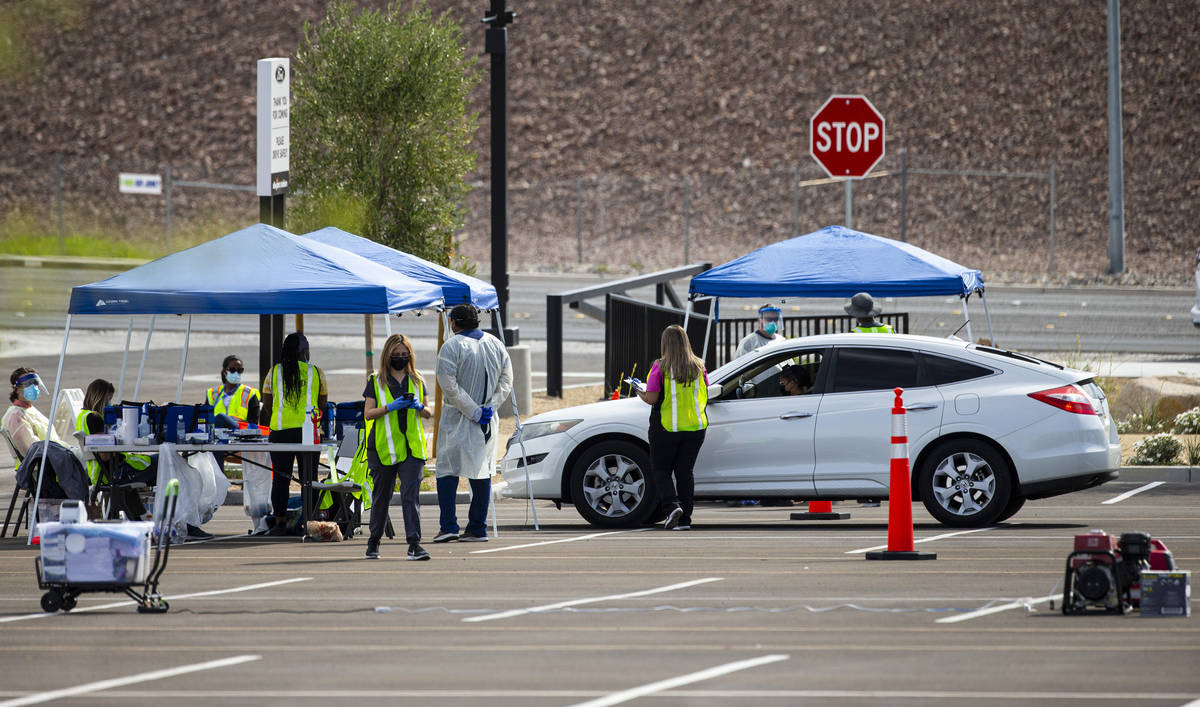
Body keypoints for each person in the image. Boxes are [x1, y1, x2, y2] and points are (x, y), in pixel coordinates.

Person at [433, 304, 513, 543]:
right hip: (487, 420)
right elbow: (506, 380)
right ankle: (477, 526)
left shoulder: (451, 346)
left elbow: (449, 386)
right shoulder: (496, 344)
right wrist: (490, 407)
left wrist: (473, 411)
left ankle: (449, 525)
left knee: (447, 469)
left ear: (454, 322)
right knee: (482, 470)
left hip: (457, 419)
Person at [362, 334, 434, 561]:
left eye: (405, 354)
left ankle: (414, 544)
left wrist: (419, 406)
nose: (401, 358)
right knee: (381, 497)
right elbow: (368, 414)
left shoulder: (418, 379)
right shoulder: (376, 380)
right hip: (383, 448)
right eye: (397, 355)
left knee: (410, 496)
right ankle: (373, 542)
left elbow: (429, 413)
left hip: (412, 449)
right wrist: (390, 407)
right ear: (388, 355)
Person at [636, 324, 709, 531]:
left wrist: (638, 391)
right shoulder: (699, 366)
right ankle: (685, 519)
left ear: (665, 344)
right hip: (695, 427)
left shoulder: (660, 367)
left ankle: (672, 506)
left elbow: (651, 399)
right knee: (685, 473)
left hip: (666, 427)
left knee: (661, 471)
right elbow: (705, 390)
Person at [77, 379, 176, 528]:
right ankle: (177, 520)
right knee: (170, 462)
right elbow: (104, 453)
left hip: (101, 473)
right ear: (100, 398)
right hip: (115, 471)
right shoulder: (95, 418)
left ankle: (143, 518)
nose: (110, 404)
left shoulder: (82, 416)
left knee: (163, 464)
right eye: (108, 400)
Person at [259, 332, 328, 536]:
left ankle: (280, 523)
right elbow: (323, 403)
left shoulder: (274, 372)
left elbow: (268, 403)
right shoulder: (316, 372)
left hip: (280, 433)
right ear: (304, 351)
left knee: (280, 480)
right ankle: (309, 523)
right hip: (309, 433)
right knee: (310, 478)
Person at [2, 367, 65, 457]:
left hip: (56, 456)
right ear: (15, 388)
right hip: (46, 463)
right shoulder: (15, 415)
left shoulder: (29, 410)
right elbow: (30, 451)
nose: (33, 387)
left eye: (35, 383)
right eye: (28, 383)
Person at [205, 355, 261, 429]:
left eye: (239, 370)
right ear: (225, 372)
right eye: (232, 370)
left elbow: (253, 422)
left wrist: (231, 421)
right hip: (216, 431)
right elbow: (205, 418)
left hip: (240, 432)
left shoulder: (249, 393)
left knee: (221, 417)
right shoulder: (212, 393)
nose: (236, 373)